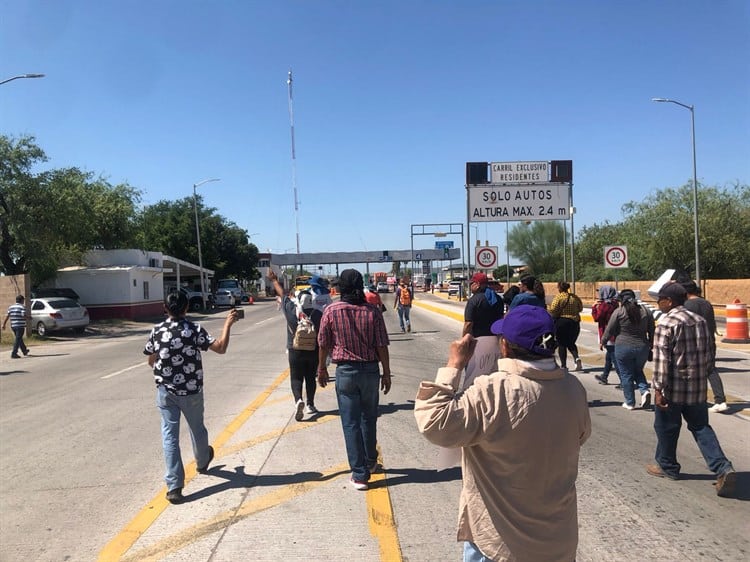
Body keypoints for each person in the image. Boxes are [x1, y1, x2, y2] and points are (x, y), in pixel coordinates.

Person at [415, 305, 591, 561]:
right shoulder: (573, 389)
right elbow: (580, 436)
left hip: (500, 544)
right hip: (557, 541)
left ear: (505, 346)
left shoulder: (492, 390)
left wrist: (453, 365)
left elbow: (434, 423)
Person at [143, 290, 239, 504]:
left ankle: (174, 487)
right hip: (192, 390)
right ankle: (203, 461)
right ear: (187, 308)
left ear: (165, 309)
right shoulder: (194, 330)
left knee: (170, 436)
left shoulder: (157, 331)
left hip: (166, 392)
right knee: (197, 428)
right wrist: (227, 324)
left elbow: (151, 359)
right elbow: (220, 348)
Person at [647, 282, 736, 497]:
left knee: (666, 427)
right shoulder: (699, 321)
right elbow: (708, 354)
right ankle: (722, 467)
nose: (658, 304)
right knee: (700, 427)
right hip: (696, 388)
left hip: (672, 388)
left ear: (669, 301)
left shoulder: (666, 323)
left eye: (660, 300)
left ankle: (667, 466)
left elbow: (661, 362)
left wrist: (658, 389)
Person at [317, 269, 391, 491]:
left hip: (346, 372)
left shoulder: (331, 311)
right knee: (369, 418)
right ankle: (370, 461)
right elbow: (381, 345)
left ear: (341, 288)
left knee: (350, 423)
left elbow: (323, 343)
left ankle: (360, 475)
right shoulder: (372, 312)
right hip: (370, 371)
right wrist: (386, 372)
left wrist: (321, 368)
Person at [269, 270, 323, 421]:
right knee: (311, 378)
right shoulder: (318, 314)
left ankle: (298, 399)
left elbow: (282, 294)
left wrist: (273, 279)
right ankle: (310, 404)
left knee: (296, 377)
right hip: (313, 350)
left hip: (295, 350)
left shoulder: (291, 310)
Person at [601, 289, 655, 410]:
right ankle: (644, 391)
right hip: (642, 347)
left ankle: (630, 402)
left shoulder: (619, 311)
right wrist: (651, 344)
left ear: (622, 300)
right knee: (638, 370)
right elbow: (652, 329)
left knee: (626, 374)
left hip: (623, 347)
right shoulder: (646, 311)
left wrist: (603, 342)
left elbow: (609, 329)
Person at [681, 280, 728, 413]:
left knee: (690, 370)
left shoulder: (687, 305)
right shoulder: (706, 303)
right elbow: (712, 323)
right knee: (711, 370)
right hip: (709, 341)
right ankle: (720, 400)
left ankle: (694, 398)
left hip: (693, 342)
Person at [547, 281, 584, 371]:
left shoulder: (558, 297)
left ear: (559, 288)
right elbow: (580, 308)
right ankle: (576, 358)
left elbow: (553, 310)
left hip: (562, 321)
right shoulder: (574, 297)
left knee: (562, 343)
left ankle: (564, 365)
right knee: (571, 342)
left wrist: (548, 308)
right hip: (575, 322)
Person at [592, 285, 621, 386]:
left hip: (607, 333)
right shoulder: (615, 303)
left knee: (614, 358)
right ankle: (604, 376)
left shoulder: (605, 305)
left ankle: (624, 381)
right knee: (609, 357)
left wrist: (594, 307)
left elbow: (597, 318)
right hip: (614, 333)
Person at [3, 295, 29, 359]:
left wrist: (4, 324)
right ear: (22, 300)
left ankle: (24, 350)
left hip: (13, 326)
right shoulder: (22, 307)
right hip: (20, 326)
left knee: (19, 338)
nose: (23, 301)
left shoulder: (11, 307)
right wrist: (29, 318)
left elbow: (7, 316)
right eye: (23, 300)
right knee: (18, 339)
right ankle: (14, 353)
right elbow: (23, 315)